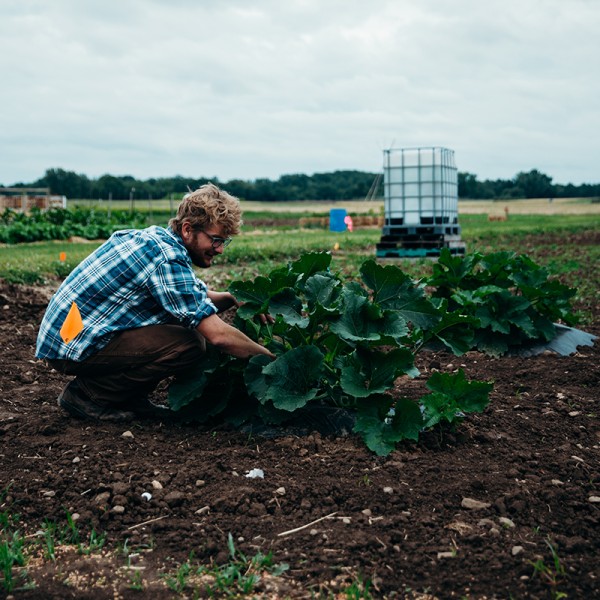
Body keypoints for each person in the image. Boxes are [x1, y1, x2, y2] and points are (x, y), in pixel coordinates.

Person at [35, 183, 274, 422]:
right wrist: (274, 363)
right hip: (71, 343)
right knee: (189, 343)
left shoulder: (158, 241)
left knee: (183, 325)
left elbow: (194, 299)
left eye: (225, 241)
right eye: (215, 240)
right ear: (188, 229)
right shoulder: (166, 259)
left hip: (69, 335)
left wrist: (234, 297)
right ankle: (88, 395)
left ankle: (128, 397)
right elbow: (219, 336)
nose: (220, 249)